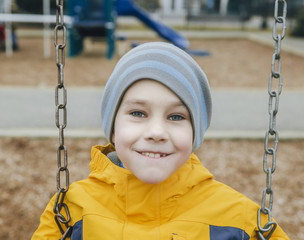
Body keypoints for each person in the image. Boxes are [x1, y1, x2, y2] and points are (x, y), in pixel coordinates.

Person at [32, 42, 289, 239]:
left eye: (176, 116)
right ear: (112, 129)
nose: (156, 132)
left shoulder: (239, 221)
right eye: (137, 113)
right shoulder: (72, 211)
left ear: (195, 133)